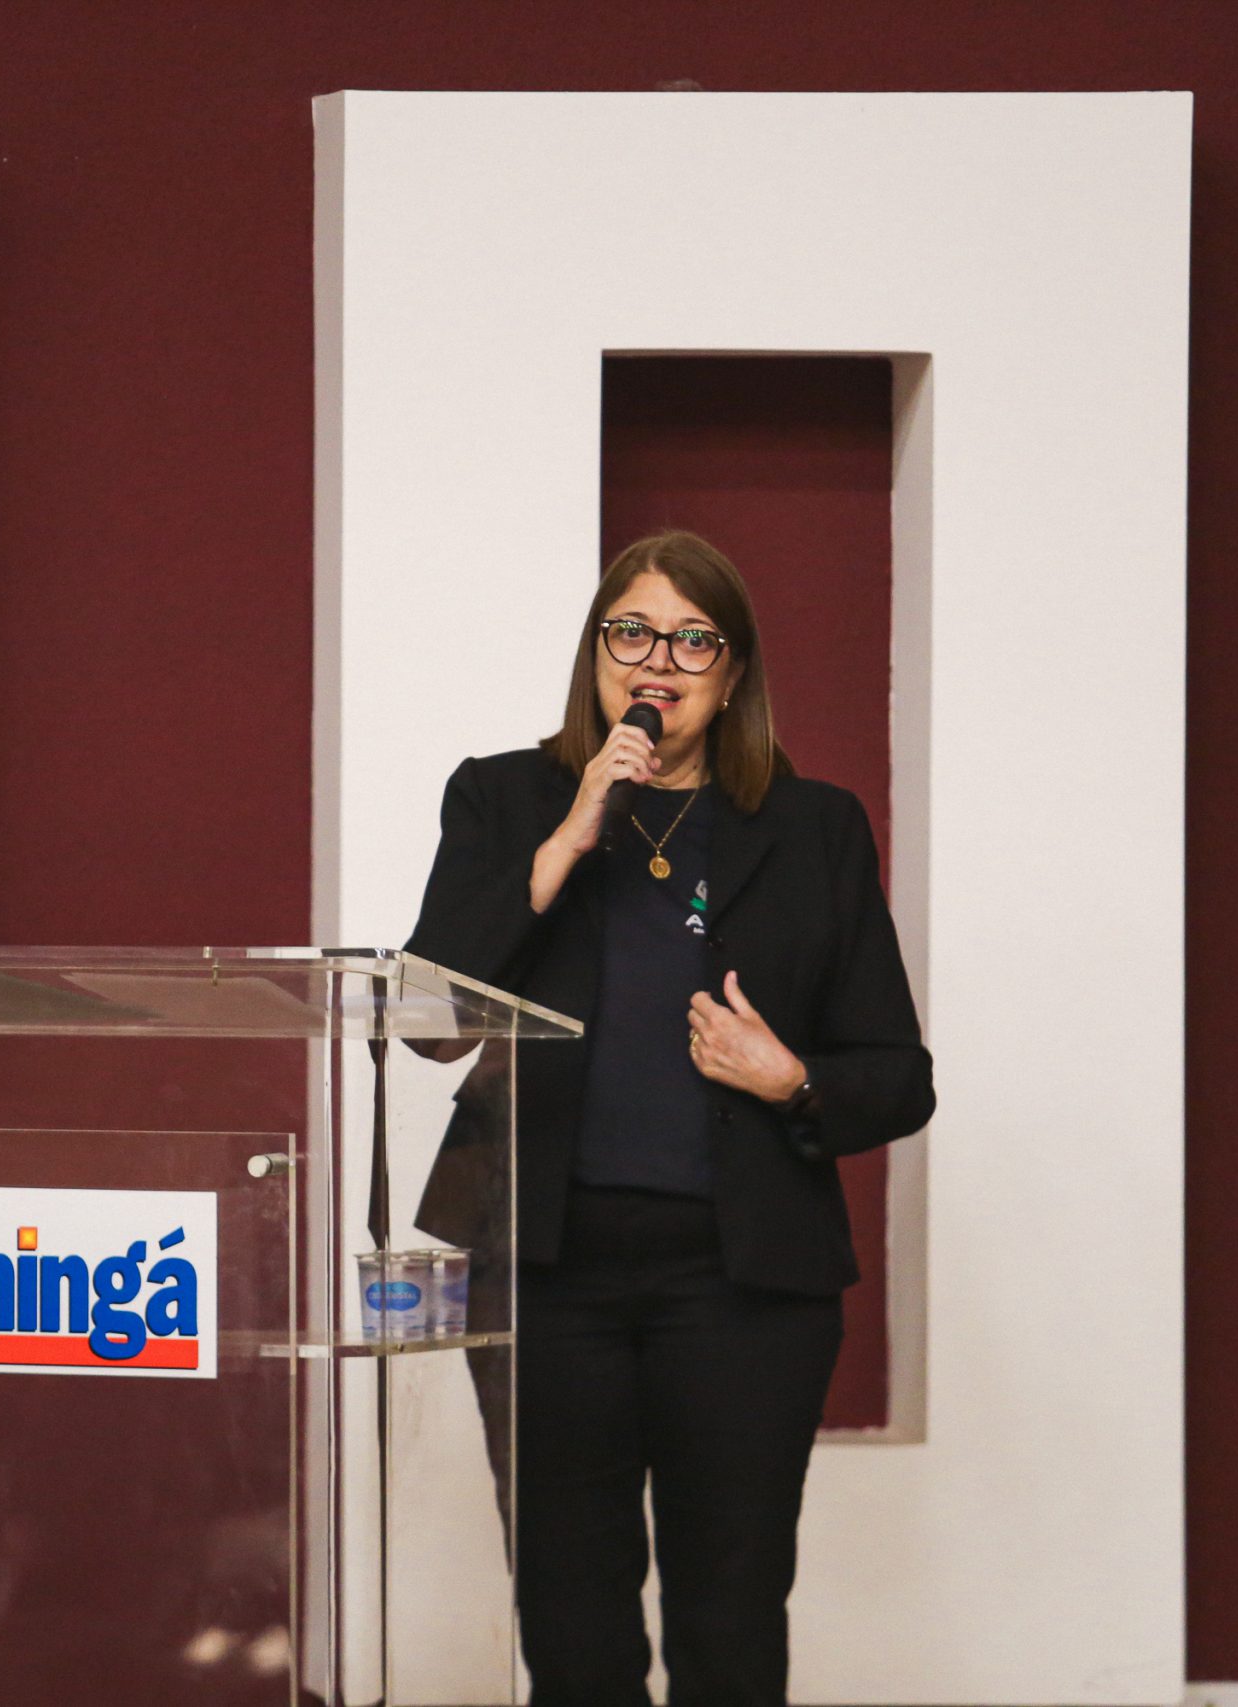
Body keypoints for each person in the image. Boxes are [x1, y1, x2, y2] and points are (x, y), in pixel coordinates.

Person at [403, 529, 935, 1706]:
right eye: (632, 633)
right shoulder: (504, 797)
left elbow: (899, 1075)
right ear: (595, 655)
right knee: (572, 1632)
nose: (659, 661)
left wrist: (789, 1079)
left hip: (743, 1287)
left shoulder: (815, 827)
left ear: (732, 676)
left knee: (729, 1626)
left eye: (694, 641)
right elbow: (428, 1021)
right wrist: (568, 835)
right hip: (544, 1276)